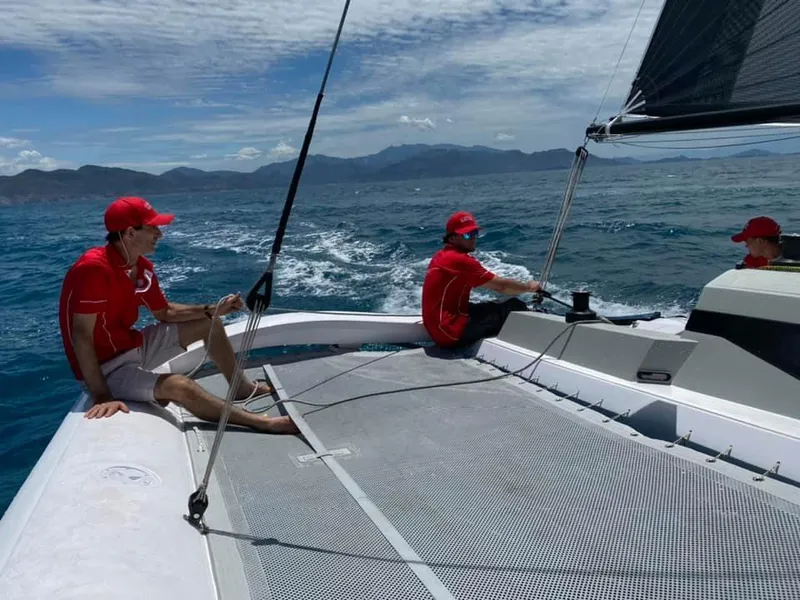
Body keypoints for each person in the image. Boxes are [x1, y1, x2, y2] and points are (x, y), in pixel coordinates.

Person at [58, 196, 299, 434]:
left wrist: (213, 310)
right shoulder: (94, 269)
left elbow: (165, 312)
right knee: (180, 386)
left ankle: (241, 388)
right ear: (130, 233)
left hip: (133, 346)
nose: (160, 234)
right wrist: (102, 396)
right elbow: (81, 335)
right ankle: (262, 422)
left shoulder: (142, 268)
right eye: (153, 228)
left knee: (210, 324)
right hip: (106, 369)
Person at [421, 211, 541, 348]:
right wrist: (529, 287)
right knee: (513, 306)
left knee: (490, 306)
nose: (473, 238)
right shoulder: (459, 261)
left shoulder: (440, 256)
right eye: (467, 235)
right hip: (451, 333)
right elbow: (503, 287)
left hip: (438, 328)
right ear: (452, 238)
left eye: (474, 234)